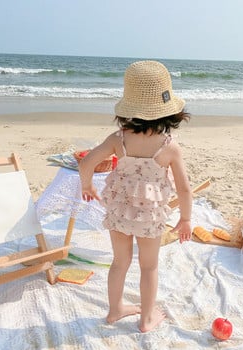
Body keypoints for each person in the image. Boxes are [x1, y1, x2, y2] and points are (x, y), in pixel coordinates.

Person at [79, 60, 192, 332]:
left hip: (119, 212)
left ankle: (115, 310)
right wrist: (186, 219)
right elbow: (185, 189)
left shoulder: (118, 139)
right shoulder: (169, 147)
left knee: (119, 262)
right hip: (149, 217)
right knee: (149, 267)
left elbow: (86, 163)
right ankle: (146, 318)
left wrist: (87, 186)